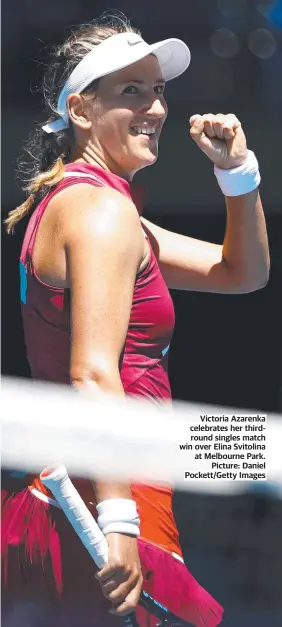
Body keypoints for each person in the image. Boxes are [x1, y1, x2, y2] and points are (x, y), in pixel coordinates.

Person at [2, 10, 269, 627]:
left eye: (158, 91)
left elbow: (243, 272)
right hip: (108, 503)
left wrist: (237, 170)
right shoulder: (101, 211)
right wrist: (118, 523)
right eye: (132, 91)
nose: (155, 108)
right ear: (80, 111)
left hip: (67, 494)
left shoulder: (89, 203)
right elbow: (93, 375)